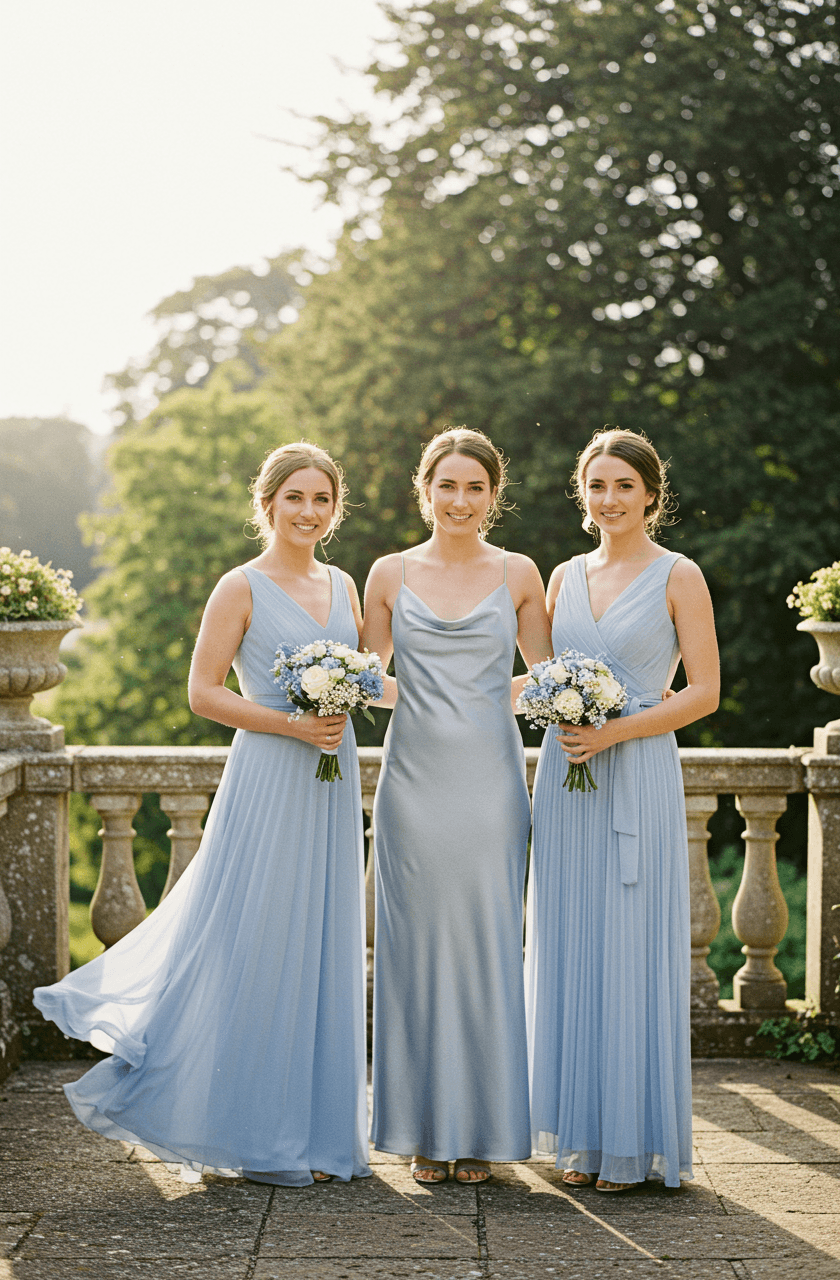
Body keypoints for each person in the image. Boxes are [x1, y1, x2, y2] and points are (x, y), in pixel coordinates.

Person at [34, 442, 371, 1188]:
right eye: (295, 499)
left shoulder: (344, 584)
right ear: (268, 504)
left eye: (321, 500)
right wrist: (290, 723)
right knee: (255, 938)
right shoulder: (239, 586)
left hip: (331, 777)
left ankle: (318, 1133)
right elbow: (203, 692)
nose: (308, 513)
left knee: (322, 941)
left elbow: (374, 677)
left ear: (334, 508)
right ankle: (253, 1128)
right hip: (271, 773)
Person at [525, 428, 719, 1192]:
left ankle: (634, 1146)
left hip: (635, 769)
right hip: (565, 774)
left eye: (624, 487)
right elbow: (537, 676)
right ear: (583, 494)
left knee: (630, 947)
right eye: (597, 486)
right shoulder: (562, 576)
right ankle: (580, 1138)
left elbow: (703, 692)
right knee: (572, 945)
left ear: (650, 496)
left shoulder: (680, 575)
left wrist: (617, 730)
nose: (610, 499)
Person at [362, 427, 552, 1185]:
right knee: (411, 953)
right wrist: (425, 699)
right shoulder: (386, 572)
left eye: (476, 487)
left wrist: (483, 697)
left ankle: (482, 1131)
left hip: (490, 783)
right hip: (412, 781)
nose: (460, 500)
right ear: (425, 489)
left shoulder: (519, 573)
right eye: (448, 486)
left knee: (485, 946)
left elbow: (547, 676)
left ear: (493, 497)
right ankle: (418, 1128)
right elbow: (365, 677)